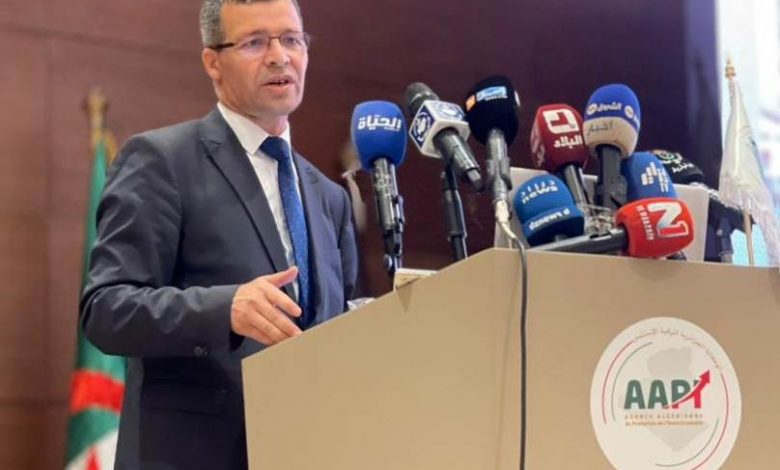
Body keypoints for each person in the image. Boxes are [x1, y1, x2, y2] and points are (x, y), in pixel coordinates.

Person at [80, 0, 358, 468]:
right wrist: (223, 309)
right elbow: (106, 310)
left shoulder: (330, 197)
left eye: (291, 39)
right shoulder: (162, 161)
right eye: (255, 42)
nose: (279, 56)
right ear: (213, 62)